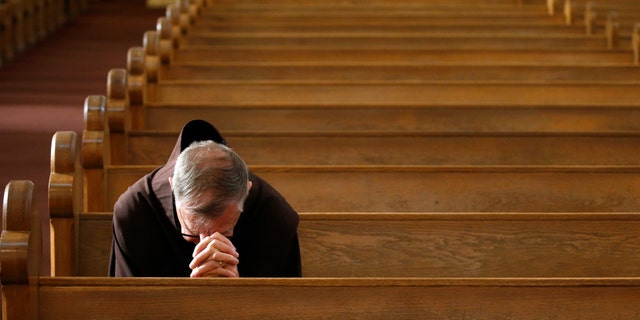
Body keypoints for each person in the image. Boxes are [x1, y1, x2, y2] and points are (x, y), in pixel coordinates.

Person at [109, 119, 301, 277]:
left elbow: (289, 308)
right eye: (192, 234)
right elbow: (124, 307)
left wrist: (241, 293)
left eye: (224, 233)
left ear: (246, 192)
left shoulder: (275, 217)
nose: (207, 246)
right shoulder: (136, 213)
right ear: (174, 187)